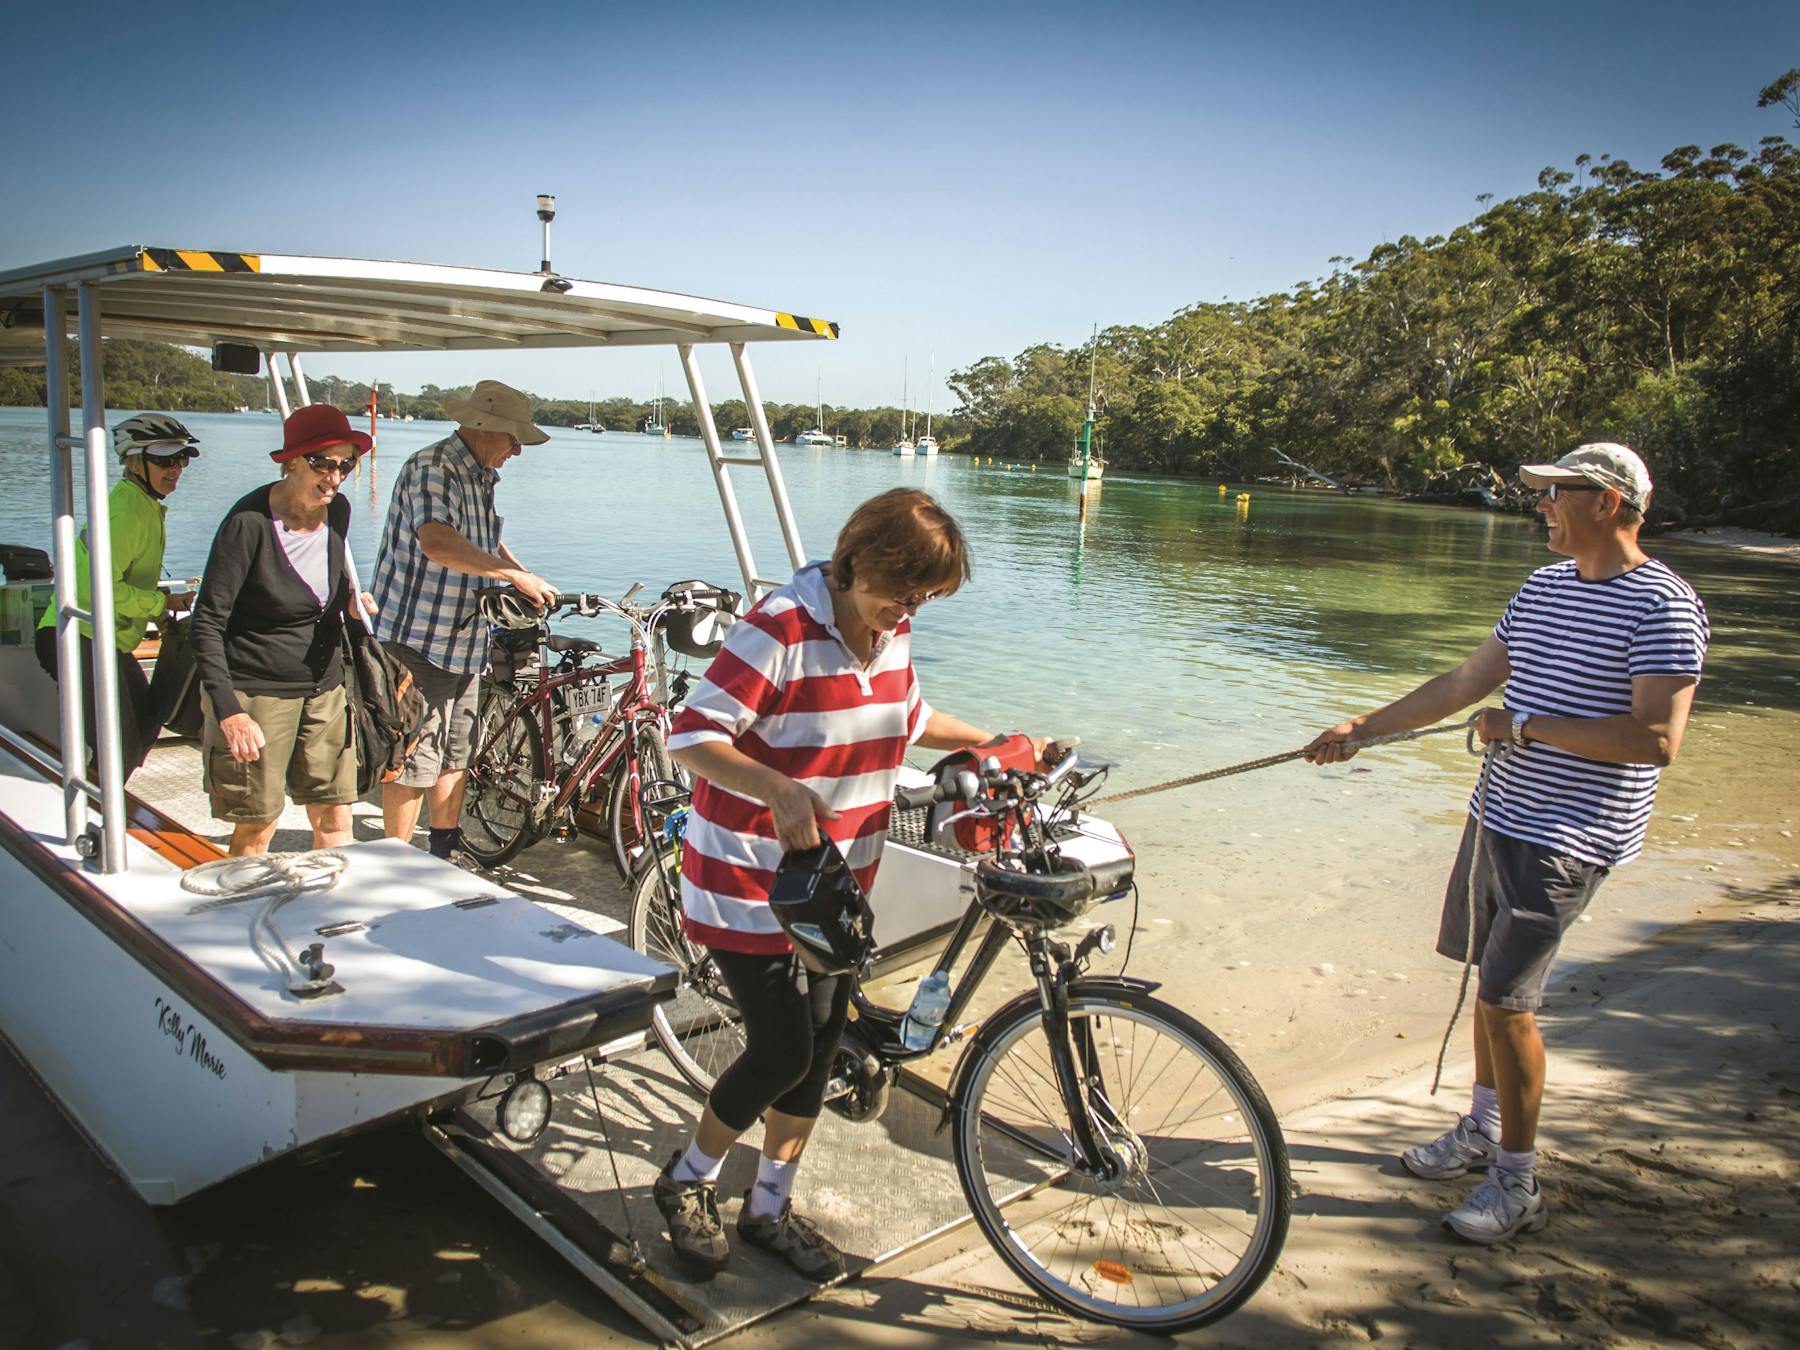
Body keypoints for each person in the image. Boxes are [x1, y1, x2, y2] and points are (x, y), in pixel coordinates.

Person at [1303, 443, 1708, 1245]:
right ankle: (1484, 1129)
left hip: (1571, 835)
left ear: (1607, 501)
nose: (1541, 507)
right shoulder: (1545, 587)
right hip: (1500, 813)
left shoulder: (1663, 604)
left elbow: (1657, 739)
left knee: (1505, 1003)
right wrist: (1361, 728)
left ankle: (1518, 1183)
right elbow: (1465, 682)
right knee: (1488, 982)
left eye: (1556, 494)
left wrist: (1522, 727)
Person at [655, 488, 1047, 1279]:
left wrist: (1003, 743)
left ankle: (769, 1205)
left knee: (823, 1044)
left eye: (925, 600)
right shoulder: (781, 627)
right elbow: (690, 734)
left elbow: (908, 715)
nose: (909, 613)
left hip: (836, 887)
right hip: (749, 881)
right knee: (780, 1050)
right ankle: (687, 1180)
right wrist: (777, 787)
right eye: (903, 593)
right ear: (855, 560)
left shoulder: (890, 631)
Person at [367, 379, 559, 861]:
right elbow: (437, 541)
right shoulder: (432, 468)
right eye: (514, 438)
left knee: (456, 756)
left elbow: (485, 543)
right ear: (484, 426)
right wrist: (510, 576)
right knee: (412, 758)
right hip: (418, 637)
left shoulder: (482, 477)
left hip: (466, 640)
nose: (518, 450)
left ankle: (442, 855)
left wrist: (521, 574)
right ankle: (397, 864)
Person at [189, 405, 372, 856]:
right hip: (258, 692)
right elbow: (206, 623)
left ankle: (332, 914)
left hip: (324, 688)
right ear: (291, 462)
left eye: (346, 464)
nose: (335, 476)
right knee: (259, 823)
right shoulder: (247, 524)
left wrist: (350, 605)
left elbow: (325, 591)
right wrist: (229, 711)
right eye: (323, 463)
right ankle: (239, 913)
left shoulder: (339, 512)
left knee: (336, 813)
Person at [35, 413, 198, 779]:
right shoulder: (126, 509)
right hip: (75, 637)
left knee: (146, 721)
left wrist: (157, 610)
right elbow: (98, 587)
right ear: (133, 460)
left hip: (105, 640)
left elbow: (123, 580)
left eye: (181, 459)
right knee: (120, 744)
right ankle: (94, 821)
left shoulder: (144, 504)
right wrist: (162, 603)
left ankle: (105, 808)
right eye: (164, 459)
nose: (175, 469)